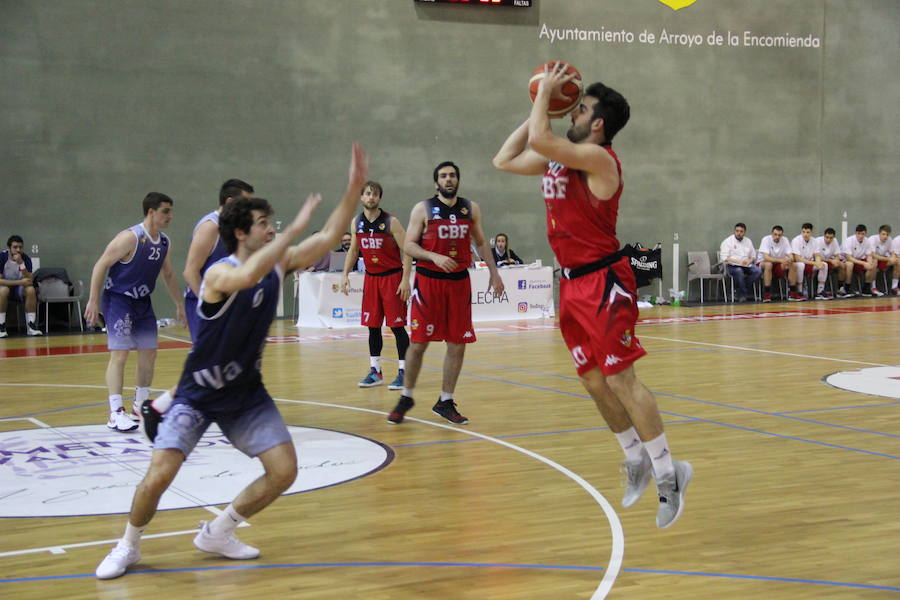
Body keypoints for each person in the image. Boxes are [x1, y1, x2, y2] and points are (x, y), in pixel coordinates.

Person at [94, 143, 368, 581]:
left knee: (284, 471)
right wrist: (296, 228)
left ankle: (219, 531)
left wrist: (353, 188)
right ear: (242, 233)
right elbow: (247, 275)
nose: (272, 230)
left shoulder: (278, 263)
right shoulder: (220, 272)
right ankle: (128, 544)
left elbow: (331, 235)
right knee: (159, 475)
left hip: (245, 393)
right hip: (198, 392)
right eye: (264, 225)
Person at [492, 62, 692, 528]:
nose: (572, 113)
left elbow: (541, 139)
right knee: (593, 380)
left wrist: (544, 95)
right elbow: (504, 159)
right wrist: (539, 105)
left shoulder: (601, 160)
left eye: (579, 109)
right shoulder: (559, 157)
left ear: (598, 124)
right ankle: (635, 458)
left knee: (622, 380)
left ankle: (670, 473)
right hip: (571, 283)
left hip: (604, 282)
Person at [387, 161, 504, 426]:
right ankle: (406, 396)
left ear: (458, 180)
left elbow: (481, 242)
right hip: (429, 282)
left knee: (457, 343)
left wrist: (494, 273)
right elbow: (408, 246)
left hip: (459, 283)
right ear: (436, 182)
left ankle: (445, 400)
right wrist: (433, 256)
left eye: (452, 175)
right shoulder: (423, 208)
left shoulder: (470, 208)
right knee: (419, 343)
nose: (448, 179)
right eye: (443, 176)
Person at [84, 193, 186, 432]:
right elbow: (101, 265)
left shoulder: (164, 242)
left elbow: (168, 274)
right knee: (120, 354)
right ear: (151, 212)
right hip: (119, 300)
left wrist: (179, 304)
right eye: (166, 211)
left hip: (142, 301)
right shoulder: (130, 238)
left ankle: (140, 407)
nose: (170, 216)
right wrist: (93, 300)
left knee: (149, 353)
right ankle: (115, 412)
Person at [341, 181, 411, 390]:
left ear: (379, 198)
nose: (371, 197)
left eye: (375, 194)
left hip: (392, 278)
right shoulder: (356, 222)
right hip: (371, 279)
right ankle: (375, 371)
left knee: (397, 327)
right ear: (362, 197)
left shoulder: (391, 222)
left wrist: (405, 279)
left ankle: (404, 373)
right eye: (368, 194)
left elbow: (407, 250)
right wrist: (345, 275)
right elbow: (354, 251)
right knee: (372, 326)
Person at [183, 179, 255, 339]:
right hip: (205, 302)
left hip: (229, 302)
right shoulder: (210, 227)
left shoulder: (238, 228)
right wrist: (209, 305)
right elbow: (190, 272)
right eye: (246, 204)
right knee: (209, 353)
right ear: (229, 202)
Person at [0, 235, 42, 337]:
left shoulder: (25, 258)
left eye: (20, 247)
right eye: (15, 247)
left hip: (19, 290)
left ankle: (31, 326)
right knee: (3, 290)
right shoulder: (2, 257)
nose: (18, 250)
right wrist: (19, 282)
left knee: (30, 290)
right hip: (4, 289)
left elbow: (29, 280)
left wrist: (21, 263)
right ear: (9, 248)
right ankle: (1, 326)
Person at [758, 225, 803, 301]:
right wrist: (781, 260)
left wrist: (789, 260)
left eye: (779, 235)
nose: (777, 237)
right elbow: (766, 257)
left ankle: (792, 293)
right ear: (772, 234)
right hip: (764, 263)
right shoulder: (766, 239)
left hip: (778, 264)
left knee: (793, 265)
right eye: (775, 234)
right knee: (769, 265)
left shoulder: (785, 240)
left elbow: (791, 256)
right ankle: (766, 294)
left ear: (782, 235)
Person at [719, 223, 760, 302]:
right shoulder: (727, 241)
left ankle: (738, 290)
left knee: (758, 271)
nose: (739, 233)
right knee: (739, 271)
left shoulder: (748, 241)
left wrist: (749, 261)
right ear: (734, 231)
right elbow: (724, 258)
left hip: (746, 265)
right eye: (737, 231)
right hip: (731, 266)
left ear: (744, 232)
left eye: (741, 231)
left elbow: (753, 255)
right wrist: (739, 262)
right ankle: (742, 294)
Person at [791, 223, 829, 300]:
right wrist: (815, 263)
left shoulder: (815, 241)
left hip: (810, 263)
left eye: (808, 232)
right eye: (803, 232)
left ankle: (820, 291)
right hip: (800, 263)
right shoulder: (796, 240)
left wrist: (818, 262)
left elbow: (817, 255)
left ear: (811, 232)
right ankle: (799, 291)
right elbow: (798, 259)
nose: (805, 234)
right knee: (800, 265)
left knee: (824, 265)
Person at [838, 224, 876, 297]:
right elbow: (849, 258)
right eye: (859, 233)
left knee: (873, 264)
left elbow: (869, 255)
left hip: (859, 260)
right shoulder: (849, 240)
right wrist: (864, 263)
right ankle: (847, 287)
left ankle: (866, 288)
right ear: (856, 233)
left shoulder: (867, 241)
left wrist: (869, 263)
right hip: (846, 260)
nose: (860, 236)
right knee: (850, 264)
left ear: (865, 234)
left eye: (863, 234)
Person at [815, 227, 843, 296]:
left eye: (831, 238)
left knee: (842, 265)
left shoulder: (835, 241)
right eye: (827, 237)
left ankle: (840, 287)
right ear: (824, 236)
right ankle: (821, 289)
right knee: (824, 265)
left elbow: (837, 254)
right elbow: (817, 257)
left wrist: (836, 260)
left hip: (830, 260)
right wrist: (831, 260)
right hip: (820, 261)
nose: (828, 239)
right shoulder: (818, 241)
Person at [866, 225, 893, 297]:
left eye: (887, 235)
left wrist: (893, 257)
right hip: (870, 259)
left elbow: (892, 252)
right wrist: (888, 259)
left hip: (882, 259)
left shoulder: (889, 239)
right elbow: (873, 255)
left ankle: (894, 287)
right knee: (874, 261)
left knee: (897, 261)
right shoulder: (873, 239)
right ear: (879, 233)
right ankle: (873, 287)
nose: (885, 236)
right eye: (883, 234)